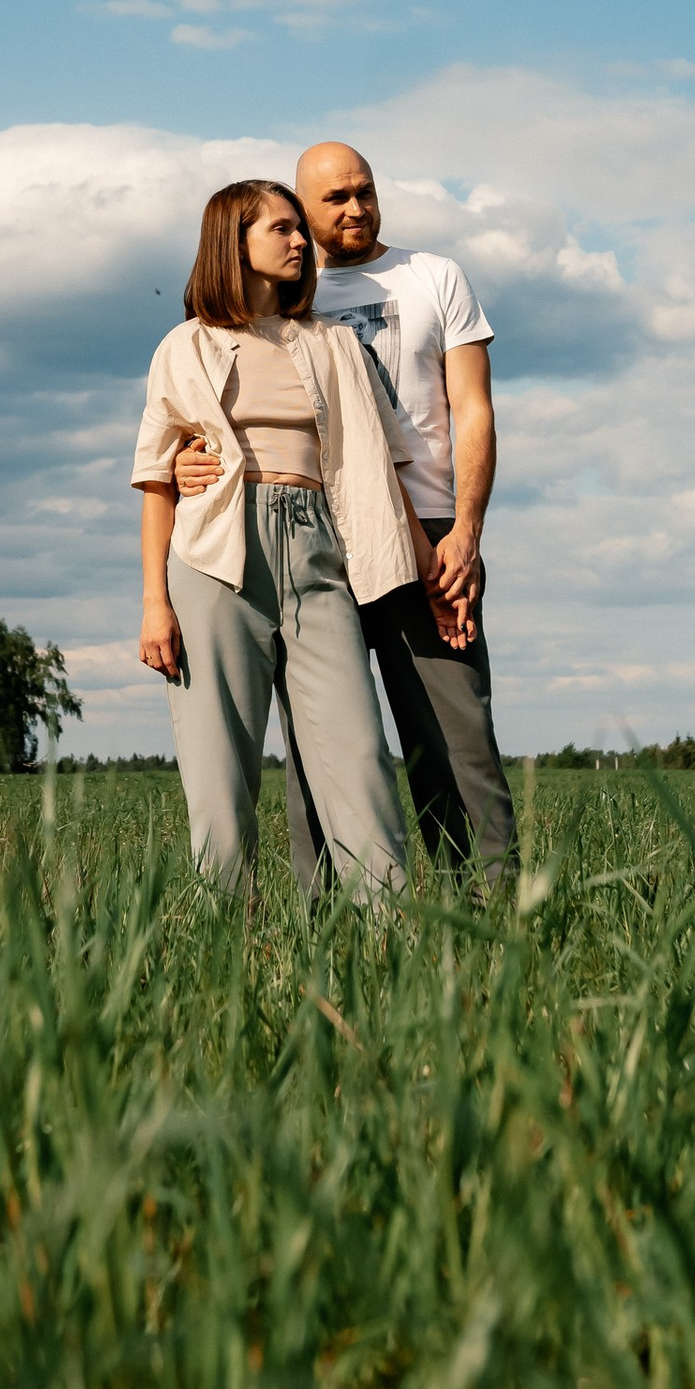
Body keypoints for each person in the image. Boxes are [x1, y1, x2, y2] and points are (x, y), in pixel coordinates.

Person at [179, 142, 517, 887]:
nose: (355, 208)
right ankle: (324, 935)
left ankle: (495, 923)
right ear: (299, 211)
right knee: (322, 750)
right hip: (316, 536)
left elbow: (474, 409)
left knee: (457, 742)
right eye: (333, 199)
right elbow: (219, 410)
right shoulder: (283, 292)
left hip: (429, 534)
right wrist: (183, 461)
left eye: (365, 191)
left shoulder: (435, 277)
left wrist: (464, 534)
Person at [131, 177, 442, 897]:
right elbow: (155, 479)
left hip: (317, 552)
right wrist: (154, 604)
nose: (303, 241)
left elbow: (381, 464)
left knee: (359, 759)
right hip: (213, 560)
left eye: (302, 229)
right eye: (282, 229)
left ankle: (387, 946)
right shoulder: (185, 347)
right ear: (232, 243)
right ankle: (224, 961)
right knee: (219, 778)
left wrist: (426, 564)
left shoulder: (335, 344)